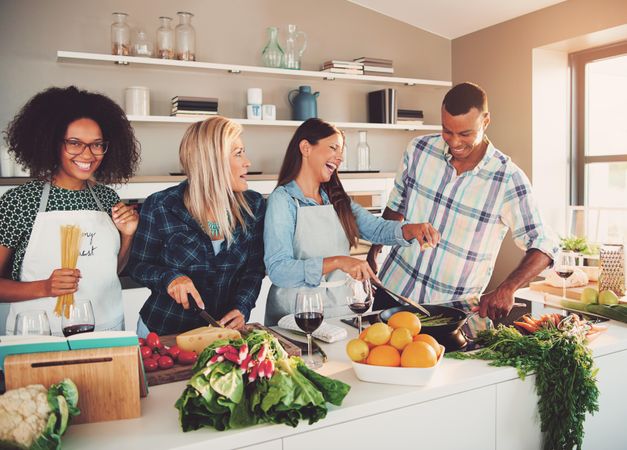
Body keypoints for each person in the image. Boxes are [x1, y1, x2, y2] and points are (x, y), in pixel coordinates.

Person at [368, 82, 558, 321]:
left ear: (485, 121)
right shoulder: (418, 150)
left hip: (450, 311)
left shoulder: (508, 179)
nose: (454, 142)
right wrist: (375, 250)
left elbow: (545, 243)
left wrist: (508, 287)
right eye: (447, 130)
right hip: (393, 292)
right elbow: (397, 205)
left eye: (465, 133)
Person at [263, 118, 440, 326]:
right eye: (333, 148)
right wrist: (339, 261)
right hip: (295, 316)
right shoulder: (282, 200)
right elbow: (279, 270)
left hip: (338, 311)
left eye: (341, 152)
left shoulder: (336, 199)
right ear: (305, 148)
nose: (340, 158)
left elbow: (376, 229)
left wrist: (411, 230)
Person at [0, 86, 140, 334]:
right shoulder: (20, 202)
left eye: (97, 145)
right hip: (40, 334)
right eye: (74, 143)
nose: (88, 154)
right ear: (52, 143)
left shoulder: (107, 198)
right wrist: (44, 287)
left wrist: (128, 235)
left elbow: (111, 272)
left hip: (105, 332)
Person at [128, 116, 265, 336]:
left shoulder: (254, 206)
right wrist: (170, 278)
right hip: (163, 333)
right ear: (212, 160)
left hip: (220, 335)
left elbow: (254, 270)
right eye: (238, 153)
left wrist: (242, 307)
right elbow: (138, 266)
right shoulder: (161, 205)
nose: (247, 162)